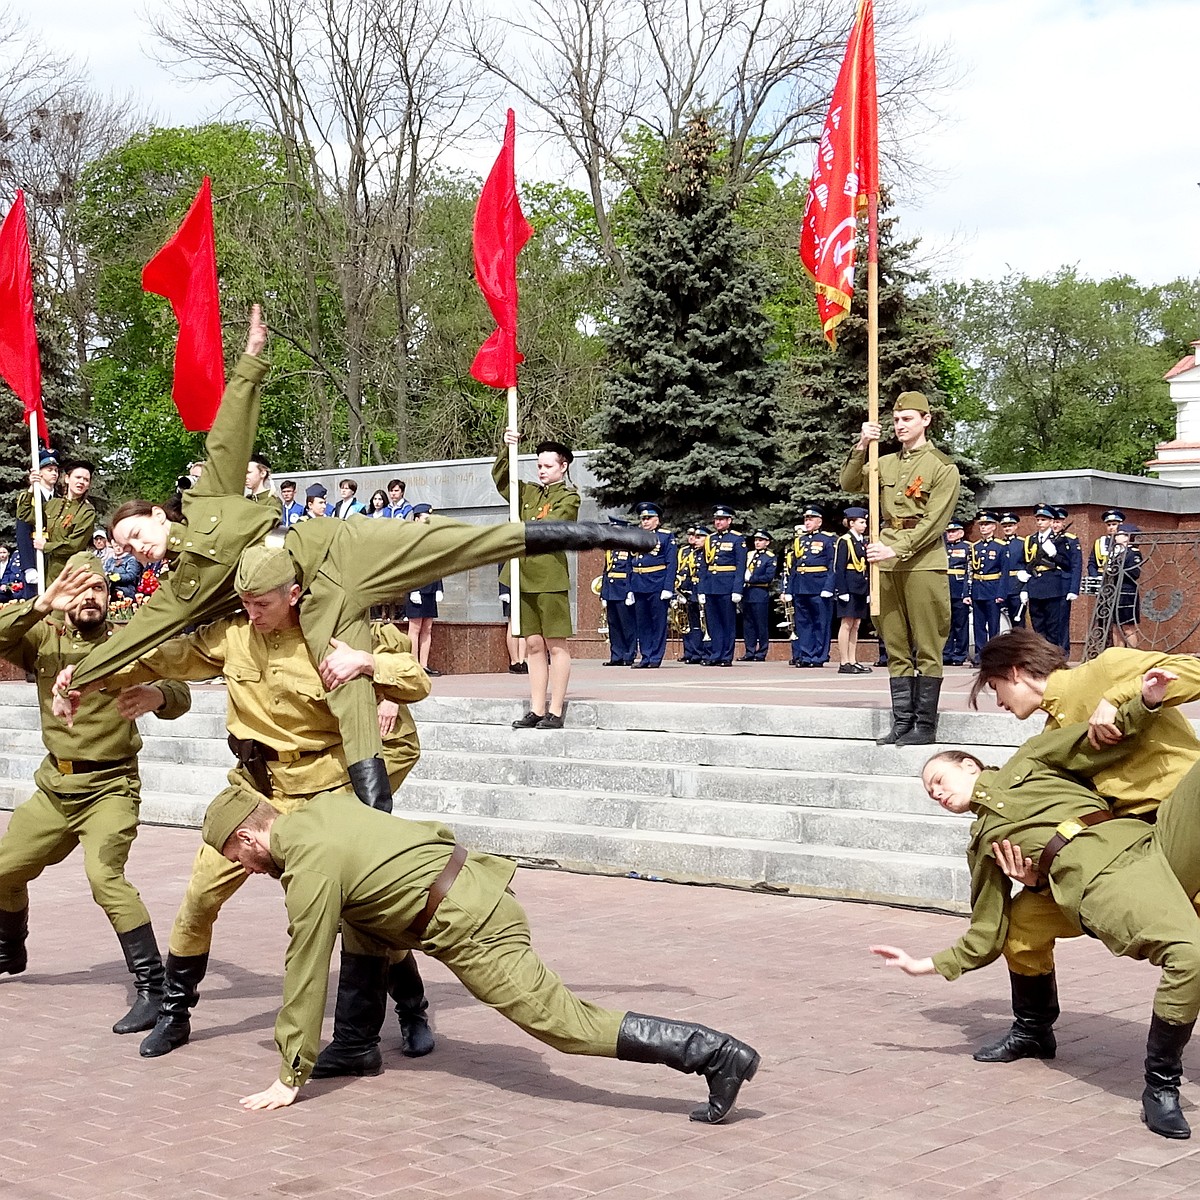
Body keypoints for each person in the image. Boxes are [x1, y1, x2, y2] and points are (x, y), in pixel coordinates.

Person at [55, 547, 437, 1067]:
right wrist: (89, 675)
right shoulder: (233, 634)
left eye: (261, 603)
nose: (251, 613)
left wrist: (367, 662)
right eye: (244, 602)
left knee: (358, 915)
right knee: (199, 897)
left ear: (293, 596)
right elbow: (161, 655)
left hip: (322, 795)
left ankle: (411, 1009)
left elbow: (416, 681)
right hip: (254, 790)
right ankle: (175, 1012)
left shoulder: (330, 634)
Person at [203, 786, 761, 1119]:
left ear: (250, 839)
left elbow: (304, 967)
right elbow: (416, 841)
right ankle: (355, 1047)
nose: (243, 870)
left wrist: (289, 1071)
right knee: (363, 924)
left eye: (238, 857)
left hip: (472, 923)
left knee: (562, 1024)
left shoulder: (308, 863)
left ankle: (711, 1054)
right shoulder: (321, 812)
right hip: (463, 886)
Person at [873, 669, 1200, 1140]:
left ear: (970, 765)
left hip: (1150, 839)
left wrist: (1145, 702)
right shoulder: (983, 844)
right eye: (931, 794)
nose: (938, 793)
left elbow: (1095, 742)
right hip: (1105, 879)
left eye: (939, 779)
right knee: (1185, 956)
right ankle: (1159, 1083)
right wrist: (924, 965)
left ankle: (1044, 1035)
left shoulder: (1030, 759)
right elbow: (988, 929)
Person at [964, 628, 1200, 1071]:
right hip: (1127, 852)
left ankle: (1164, 1067)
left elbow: (1192, 671)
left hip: (1188, 827)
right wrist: (1036, 875)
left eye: (995, 688)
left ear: (1015, 672)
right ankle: (1033, 1030)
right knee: (1023, 925)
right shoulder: (1052, 736)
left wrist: (1120, 695)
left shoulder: (1107, 667)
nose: (998, 702)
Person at [0, 557, 191, 1034]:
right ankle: (9, 947)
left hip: (110, 787)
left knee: (105, 878)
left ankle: (154, 988)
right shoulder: (43, 636)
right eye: (80, 589)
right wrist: (40, 604)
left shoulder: (127, 643)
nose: (90, 598)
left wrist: (158, 696)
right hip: (55, 788)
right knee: (3, 871)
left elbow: (179, 687)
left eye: (99, 589)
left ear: (109, 596)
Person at [841, 391, 961, 745]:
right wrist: (863, 444)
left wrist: (895, 548)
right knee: (894, 644)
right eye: (895, 420)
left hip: (922, 563)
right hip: (885, 562)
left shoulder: (941, 466)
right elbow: (848, 483)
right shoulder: (885, 462)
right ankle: (902, 722)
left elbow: (934, 523)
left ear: (926, 420)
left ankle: (924, 726)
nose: (899, 426)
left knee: (926, 644)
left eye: (907, 419)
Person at [493, 429, 581, 729]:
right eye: (539, 466)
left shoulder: (569, 496)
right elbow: (503, 480)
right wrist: (507, 449)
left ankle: (555, 710)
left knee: (555, 645)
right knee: (532, 645)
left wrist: (518, 530)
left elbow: (554, 527)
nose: (542, 471)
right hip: (522, 574)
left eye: (548, 466)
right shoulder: (528, 492)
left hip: (548, 576)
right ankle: (536, 707)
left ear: (563, 466)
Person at [18, 455, 96, 588]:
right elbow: (24, 515)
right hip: (48, 572)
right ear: (67, 479)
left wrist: (46, 546)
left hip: (70, 574)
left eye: (86, 480)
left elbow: (74, 545)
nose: (81, 482)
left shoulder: (87, 512)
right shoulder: (53, 504)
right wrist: (32, 487)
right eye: (78, 477)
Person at [783, 506, 835, 669]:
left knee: (821, 623)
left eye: (811, 519)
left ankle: (819, 656)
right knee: (803, 623)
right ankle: (806, 655)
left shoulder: (828, 539)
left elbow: (833, 566)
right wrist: (789, 590)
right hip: (801, 586)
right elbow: (794, 567)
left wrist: (829, 587)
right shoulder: (800, 540)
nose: (807, 522)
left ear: (819, 522)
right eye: (806, 519)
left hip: (819, 587)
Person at [628, 502, 676, 669]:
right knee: (643, 623)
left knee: (658, 623)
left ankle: (655, 657)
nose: (645, 521)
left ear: (657, 520)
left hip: (657, 583)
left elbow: (671, 563)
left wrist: (668, 587)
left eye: (649, 518)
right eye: (643, 518)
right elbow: (630, 563)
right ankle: (646, 656)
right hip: (639, 584)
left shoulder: (665, 536)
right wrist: (629, 589)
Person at [697, 505, 745, 668]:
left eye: (721, 519)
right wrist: (701, 589)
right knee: (713, 622)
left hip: (727, 585)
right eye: (716, 519)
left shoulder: (737, 539)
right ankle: (715, 654)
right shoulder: (710, 539)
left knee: (727, 622)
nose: (718, 522)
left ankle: (726, 655)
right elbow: (704, 565)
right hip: (711, 585)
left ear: (729, 521)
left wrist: (737, 589)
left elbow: (740, 566)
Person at [1018, 503, 1065, 649]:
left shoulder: (1060, 539)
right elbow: (1025, 563)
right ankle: (1041, 656)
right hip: (1034, 586)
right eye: (1038, 519)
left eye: (1044, 520)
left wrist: (1054, 554)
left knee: (1052, 626)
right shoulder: (1030, 540)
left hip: (1052, 586)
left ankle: (1052, 655)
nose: (1040, 523)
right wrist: (1024, 586)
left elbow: (1067, 564)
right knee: (1038, 625)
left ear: (1051, 521)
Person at [403, 504, 443, 676]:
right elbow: (410, 566)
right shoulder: (411, 539)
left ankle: (424, 664)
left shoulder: (433, 538)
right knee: (415, 628)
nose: (428, 520)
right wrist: (413, 589)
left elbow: (438, 565)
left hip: (430, 589)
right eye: (425, 517)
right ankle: (413, 665)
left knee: (427, 628)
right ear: (417, 519)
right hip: (416, 590)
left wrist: (439, 587)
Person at [14, 449, 59, 593]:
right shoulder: (30, 498)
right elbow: (22, 533)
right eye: (49, 469)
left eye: (56, 470)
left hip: (54, 559)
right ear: (39, 473)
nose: (54, 473)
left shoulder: (60, 499)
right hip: (35, 556)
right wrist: (29, 567)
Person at [832, 507, 870, 675]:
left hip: (860, 586)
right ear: (851, 523)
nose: (864, 525)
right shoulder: (845, 540)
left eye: (865, 522)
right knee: (846, 623)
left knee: (856, 624)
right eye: (861, 522)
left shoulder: (862, 540)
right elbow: (838, 567)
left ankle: (853, 660)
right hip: (848, 586)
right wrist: (842, 590)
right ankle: (844, 661)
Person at [969, 511, 1007, 664]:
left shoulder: (1001, 546)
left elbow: (1004, 572)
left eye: (986, 525)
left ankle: (994, 654)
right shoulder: (975, 547)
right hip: (978, 589)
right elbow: (970, 571)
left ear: (993, 527)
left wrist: (1001, 593)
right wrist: (968, 593)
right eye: (981, 525)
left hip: (993, 589)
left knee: (993, 624)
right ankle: (980, 654)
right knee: (979, 625)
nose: (983, 528)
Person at [598, 523, 636, 668]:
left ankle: (629, 654)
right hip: (611, 591)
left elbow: (631, 570)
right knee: (613, 626)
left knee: (627, 625)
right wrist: (604, 593)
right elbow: (606, 572)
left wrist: (630, 591)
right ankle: (616, 655)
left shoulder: (629, 549)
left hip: (623, 591)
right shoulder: (610, 550)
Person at [740, 531, 777, 662]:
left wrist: (752, 578)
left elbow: (768, 576)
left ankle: (761, 652)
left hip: (759, 592)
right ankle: (749, 651)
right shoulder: (749, 555)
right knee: (748, 624)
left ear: (767, 542)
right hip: (747, 593)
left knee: (760, 624)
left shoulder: (769, 557)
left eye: (761, 540)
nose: (757, 542)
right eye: (756, 540)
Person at [1051, 506, 1083, 656]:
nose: (1055, 525)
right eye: (1053, 521)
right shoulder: (1045, 538)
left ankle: (1063, 650)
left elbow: (1076, 565)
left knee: (1061, 620)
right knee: (1050, 620)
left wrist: (1074, 589)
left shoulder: (1070, 539)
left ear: (1063, 522)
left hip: (1064, 584)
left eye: (1058, 522)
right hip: (1049, 584)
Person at [675, 525, 708, 665]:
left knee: (704, 624)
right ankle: (693, 652)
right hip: (690, 590)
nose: (692, 538)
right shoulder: (686, 552)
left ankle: (704, 652)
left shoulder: (706, 552)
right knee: (690, 624)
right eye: (690, 535)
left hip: (702, 590)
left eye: (696, 536)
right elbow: (683, 570)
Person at [1106, 523, 1143, 648]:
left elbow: (1135, 572)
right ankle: (1119, 654)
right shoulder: (1117, 551)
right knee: (1116, 626)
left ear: (1127, 537)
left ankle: (1132, 654)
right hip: (1116, 591)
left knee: (1127, 627)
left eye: (1120, 534)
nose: (1116, 536)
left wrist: (1119, 567)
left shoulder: (1133, 553)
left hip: (1127, 593)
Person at [943, 519, 971, 666]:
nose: (951, 534)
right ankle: (946, 654)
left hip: (959, 590)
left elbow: (969, 572)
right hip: (944, 590)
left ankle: (960, 654)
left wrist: (967, 592)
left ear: (961, 533)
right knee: (945, 624)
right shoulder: (943, 547)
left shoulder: (967, 547)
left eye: (954, 532)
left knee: (960, 624)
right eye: (949, 532)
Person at [998, 512, 1025, 630]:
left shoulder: (1022, 543)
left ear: (1016, 526)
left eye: (1010, 525)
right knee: (1001, 621)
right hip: (1001, 587)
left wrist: (1024, 589)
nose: (1007, 528)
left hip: (1016, 586)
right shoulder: (999, 544)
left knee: (1018, 621)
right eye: (1005, 526)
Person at [1088, 509, 1126, 581]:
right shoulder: (1099, 542)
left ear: (1120, 524)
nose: (1111, 527)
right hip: (1102, 578)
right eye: (1108, 525)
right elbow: (1092, 562)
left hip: (1119, 579)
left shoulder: (1125, 541)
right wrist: (1095, 576)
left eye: (1114, 524)